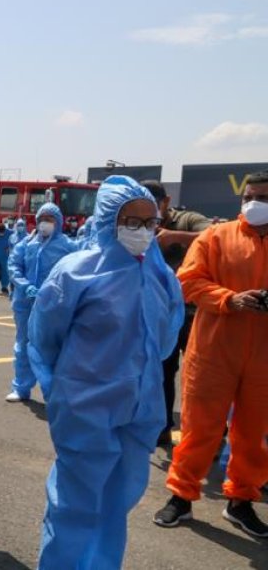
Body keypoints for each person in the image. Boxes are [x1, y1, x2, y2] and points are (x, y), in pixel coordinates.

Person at [28, 176, 184, 569]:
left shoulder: (159, 273)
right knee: (74, 506)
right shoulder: (75, 272)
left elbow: (165, 338)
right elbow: (45, 338)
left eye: (150, 222)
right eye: (131, 221)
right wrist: (62, 386)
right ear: (106, 221)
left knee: (117, 503)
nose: (143, 231)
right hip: (85, 406)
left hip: (138, 408)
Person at [155, 171, 268, 538]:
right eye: (248, 197)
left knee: (252, 435)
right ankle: (182, 496)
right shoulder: (216, 236)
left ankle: (241, 501)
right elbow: (187, 282)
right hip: (214, 352)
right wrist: (229, 299)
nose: (253, 204)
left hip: (263, 359)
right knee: (199, 429)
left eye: (262, 198)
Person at [141, 180, 212, 447]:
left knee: (200, 378)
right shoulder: (138, 224)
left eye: (154, 204)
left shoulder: (187, 220)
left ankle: (208, 437)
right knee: (161, 373)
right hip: (161, 315)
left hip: (193, 314)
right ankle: (161, 427)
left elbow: (218, 234)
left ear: (166, 202)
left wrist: (175, 237)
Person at [6, 203, 75, 402]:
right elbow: (14, 266)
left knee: (54, 346)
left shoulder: (67, 245)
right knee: (23, 344)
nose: (45, 223)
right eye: (42, 219)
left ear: (59, 222)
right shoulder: (26, 243)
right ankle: (21, 387)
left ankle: (54, 392)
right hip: (25, 302)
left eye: (50, 219)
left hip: (53, 305)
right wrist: (24, 285)